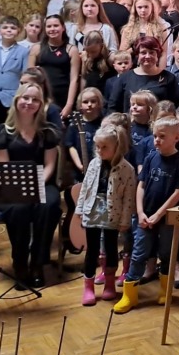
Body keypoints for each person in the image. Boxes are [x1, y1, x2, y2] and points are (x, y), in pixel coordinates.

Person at [113, 115, 179, 313]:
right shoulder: (150, 158)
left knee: (166, 253)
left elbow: (178, 192)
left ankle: (165, 291)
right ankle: (129, 296)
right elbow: (141, 185)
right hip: (145, 217)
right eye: (155, 136)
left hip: (167, 218)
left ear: (176, 138)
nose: (157, 140)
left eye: (162, 136)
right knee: (139, 253)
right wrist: (140, 212)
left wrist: (159, 214)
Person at [0, 83, 61, 287]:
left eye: (35, 99)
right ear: (17, 100)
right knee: (19, 208)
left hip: (42, 182)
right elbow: (3, 168)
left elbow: (49, 165)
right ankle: (20, 263)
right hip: (12, 184)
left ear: (41, 104)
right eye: (26, 98)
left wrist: (36, 184)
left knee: (49, 205)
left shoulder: (47, 132)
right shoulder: (2, 133)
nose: (30, 102)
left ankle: (38, 262)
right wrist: (22, 187)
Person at [75, 124, 136, 306]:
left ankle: (109, 283)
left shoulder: (127, 169)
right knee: (92, 249)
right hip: (93, 209)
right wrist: (80, 209)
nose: (100, 151)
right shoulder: (94, 164)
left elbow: (129, 198)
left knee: (110, 248)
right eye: (97, 147)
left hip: (112, 212)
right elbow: (85, 187)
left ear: (117, 147)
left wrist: (125, 220)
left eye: (104, 147)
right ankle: (88, 286)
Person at [107, 37, 179, 114]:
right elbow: (113, 108)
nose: (147, 56)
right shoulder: (124, 78)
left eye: (151, 52)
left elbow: (177, 106)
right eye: (143, 52)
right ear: (137, 55)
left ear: (157, 55)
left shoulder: (169, 78)